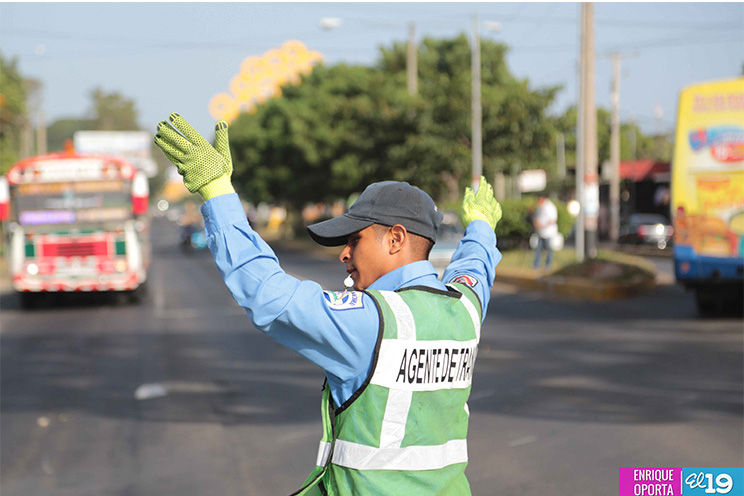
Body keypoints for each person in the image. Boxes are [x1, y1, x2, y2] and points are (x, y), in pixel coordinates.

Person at [154, 114, 503, 496]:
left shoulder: (373, 321)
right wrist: (481, 227)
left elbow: (267, 292)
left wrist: (217, 190)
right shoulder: (464, 309)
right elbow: (475, 269)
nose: (344, 254)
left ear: (396, 239)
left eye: (355, 240)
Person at [532, 195, 558, 270]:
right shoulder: (539, 207)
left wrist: (542, 225)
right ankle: (536, 265)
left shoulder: (550, 207)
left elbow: (553, 220)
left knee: (549, 250)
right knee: (538, 250)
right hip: (540, 232)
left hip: (548, 233)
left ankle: (548, 265)